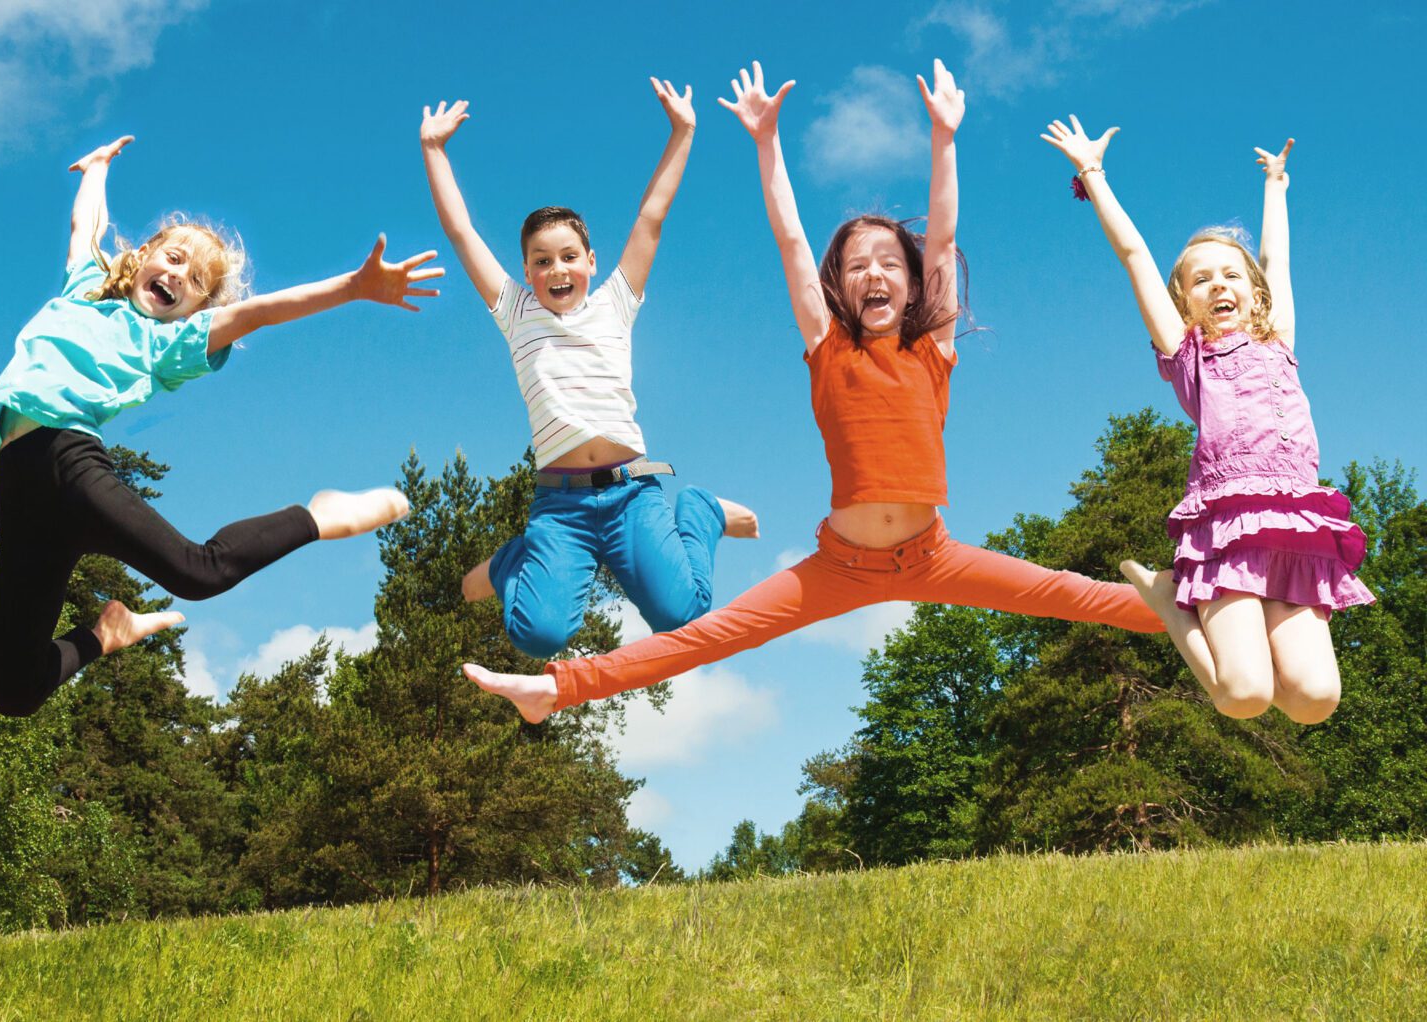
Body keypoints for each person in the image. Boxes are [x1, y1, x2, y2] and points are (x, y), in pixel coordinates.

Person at [464, 61, 1163, 723]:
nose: (875, 274)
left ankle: (1208, 606)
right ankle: (555, 689)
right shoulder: (829, 349)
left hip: (932, 554)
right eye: (857, 266)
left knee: (1080, 596)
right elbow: (792, 240)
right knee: (707, 635)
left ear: (913, 283)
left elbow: (943, 236)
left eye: (890, 263)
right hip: (840, 565)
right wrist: (766, 140)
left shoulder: (931, 349)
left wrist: (944, 138)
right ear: (837, 287)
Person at [0, 135, 443, 717]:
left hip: (66, 461)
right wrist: (96, 169)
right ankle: (106, 634)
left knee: (199, 573)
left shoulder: (168, 342)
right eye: (175, 258)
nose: (179, 276)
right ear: (144, 255)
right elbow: (87, 227)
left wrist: (353, 287)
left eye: (197, 280)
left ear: (197, 310)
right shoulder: (85, 289)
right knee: (15, 692)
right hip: (17, 483)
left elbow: (259, 312)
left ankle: (316, 516)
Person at [1042, 117, 1372, 723]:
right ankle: (1169, 600)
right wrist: (1092, 173)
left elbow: (1276, 261)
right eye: (1201, 279)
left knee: (1315, 701)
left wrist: (1276, 187)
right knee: (1243, 696)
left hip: (1296, 526)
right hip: (1227, 527)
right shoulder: (1189, 354)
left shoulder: (1279, 339)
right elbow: (1135, 256)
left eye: (1230, 275)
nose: (1219, 284)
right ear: (1184, 301)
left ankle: (1207, 620)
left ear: (1255, 293)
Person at [419, 78, 758, 659]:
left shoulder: (615, 303)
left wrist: (683, 131)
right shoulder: (516, 314)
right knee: (537, 636)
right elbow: (461, 232)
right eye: (542, 260)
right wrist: (434, 149)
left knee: (684, 615)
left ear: (592, 262)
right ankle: (510, 561)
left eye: (569, 256)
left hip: (632, 495)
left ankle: (700, 509)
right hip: (561, 507)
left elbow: (651, 218)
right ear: (527, 272)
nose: (557, 269)